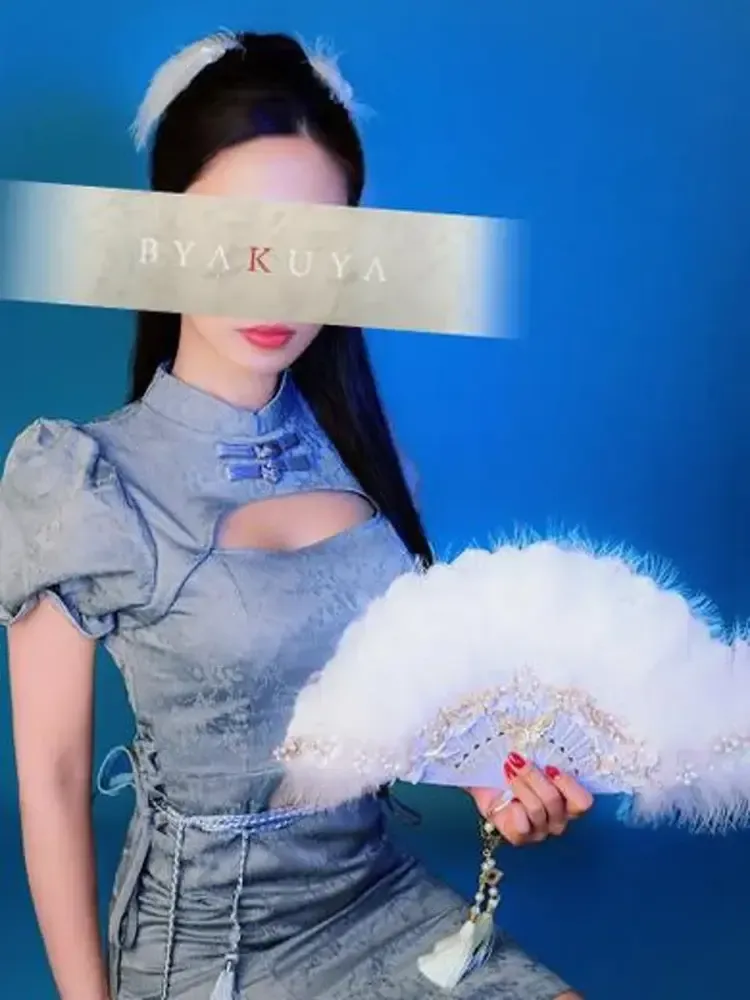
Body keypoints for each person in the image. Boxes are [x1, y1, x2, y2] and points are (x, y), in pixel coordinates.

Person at [0, 30, 592, 1000]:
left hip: (380, 894)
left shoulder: (371, 461)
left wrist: (492, 781)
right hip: (209, 947)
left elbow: (388, 701)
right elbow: (55, 782)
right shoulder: (79, 481)